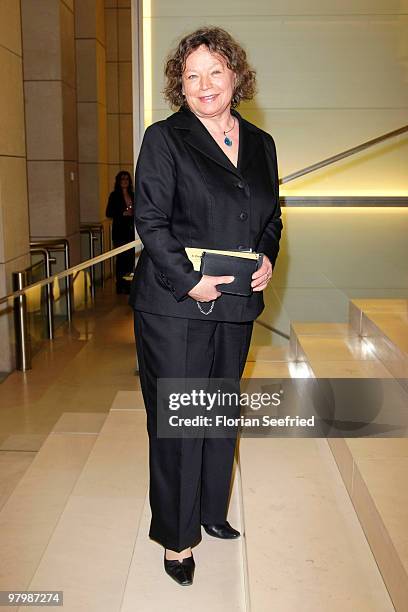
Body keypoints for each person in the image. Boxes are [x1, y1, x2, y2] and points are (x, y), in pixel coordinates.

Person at [129, 26, 283, 586]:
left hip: (236, 303)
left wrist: (266, 256)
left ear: (236, 75)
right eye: (191, 76)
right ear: (181, 87)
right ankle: (175, 538)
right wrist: (189, 279)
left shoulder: (261, 143)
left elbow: (270, 217)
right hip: (176, 304)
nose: (204, 84)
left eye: (214, 71)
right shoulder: (165, 138)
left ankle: (211, 511)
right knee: (178, 420)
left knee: (217, 412)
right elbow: (151, 220)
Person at [106, 171, 135, 294]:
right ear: (118, 181)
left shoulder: (133, 195)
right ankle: (120, 284)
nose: (125, 181)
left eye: (127, 179)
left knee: (130, 260)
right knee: (121, 259)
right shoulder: (114, 195)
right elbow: (108, 213)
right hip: (119, 232)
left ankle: (128, 283)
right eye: (122, 179)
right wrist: (122, 213)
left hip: (130, 231)